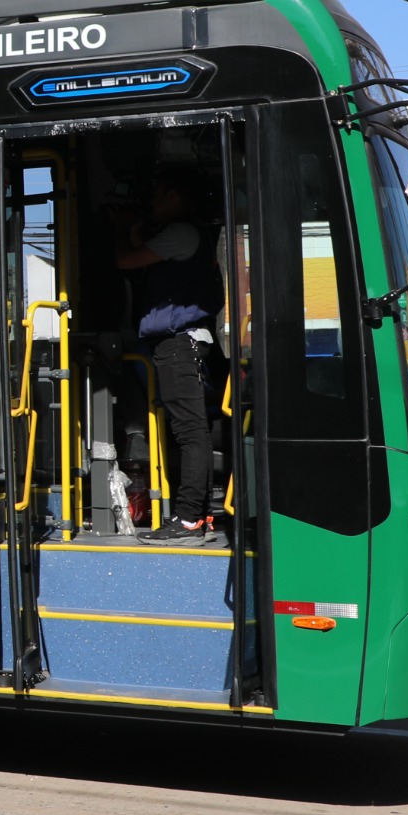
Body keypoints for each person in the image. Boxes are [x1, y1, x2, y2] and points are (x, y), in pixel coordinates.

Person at [115, 170, 224, 545]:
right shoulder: (191, 236)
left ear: (175, 196)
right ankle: (198, 514)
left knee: (190, 433)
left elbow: (128, 262)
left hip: (180, 345)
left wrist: (127, 234)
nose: (154, 206)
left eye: (159, 197)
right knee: (194, 431)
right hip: (185, 344)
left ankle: (190, 517)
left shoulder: (181, 232)